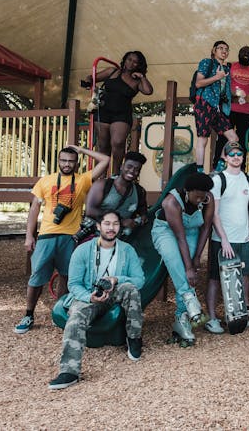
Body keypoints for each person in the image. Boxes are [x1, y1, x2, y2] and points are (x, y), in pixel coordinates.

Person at [14, 144, 111, 334]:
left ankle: (59, 312)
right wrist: (29, 236)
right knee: (36, 277)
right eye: (63, 160)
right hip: (47, 234)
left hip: (71, 237)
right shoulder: (46, 180)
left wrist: (82, 150)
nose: (67, 164)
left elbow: (105, 160)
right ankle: (28, 314)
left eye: (71, 161)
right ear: (58, 161)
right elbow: (34, 208)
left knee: (68, 277)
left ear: (76, 163)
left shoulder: (82, 180)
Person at [47, 211, 145, 390]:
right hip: (88, 295)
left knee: (131, 289)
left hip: (114, 292)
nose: (111, 228)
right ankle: (69, 371)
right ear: (99, 226)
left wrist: (117, 279)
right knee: (76, 317)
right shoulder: (83, 250)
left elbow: (139, 280)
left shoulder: (127, 250)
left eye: (115, 224)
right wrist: (88, 297)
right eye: (107, 223)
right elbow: (74, 284)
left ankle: (134, 337)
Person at [151, 173, 214, 346]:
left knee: (190, 270)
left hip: (192, 231)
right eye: (197, 196)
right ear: (187, 191)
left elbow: (206, 228)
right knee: (177, 264)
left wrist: (196, 259)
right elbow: (179, 238)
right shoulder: (171, 202)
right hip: (166, 231)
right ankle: (189, 298)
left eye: (204, 196)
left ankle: (182, 319)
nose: (201, 200)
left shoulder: (208, 198)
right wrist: (188, 267)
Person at [205, 142, 249, 334]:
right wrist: (224, 240)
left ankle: (239, 314)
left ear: (243, 158)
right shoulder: (219, 179)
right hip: (221, 240)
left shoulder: (248, 179)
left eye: (239, 154)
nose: (236, 157)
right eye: (232, 154)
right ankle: (211, 317)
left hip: (243, 238)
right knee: (215, 278)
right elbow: (214, 213)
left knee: (243, 277)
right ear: (225, 158)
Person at [81, 51, 153, 175]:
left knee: (118, 142)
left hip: (122, 114)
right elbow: (92, 77)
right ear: (125, 60)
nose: (131, 63)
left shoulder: (137, 81)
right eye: (129, 59)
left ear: (139, 65)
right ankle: (100, 175)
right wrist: (88, 82)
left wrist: (142, 77)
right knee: (103, 145)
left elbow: (148, 91)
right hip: (103, 111)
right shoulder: (112, 71)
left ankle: (115, 173)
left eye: (135, 62)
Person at [192, 40, 240, 172]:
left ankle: (219, 166)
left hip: (217, 108)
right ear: (214, 50)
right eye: (221, 48)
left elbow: (224, 91)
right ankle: (200, 171)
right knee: (203, 139)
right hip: (204, 103)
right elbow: (198, 83)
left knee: (233, 138)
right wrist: (216, 77)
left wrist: (237, 94)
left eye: (226, 49)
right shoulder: (207, 62)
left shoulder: (227, 70)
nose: (224, 51)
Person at [214, 45, 249, 169]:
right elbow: (221, 85)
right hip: (228, 110)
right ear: (239, 54)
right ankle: (218, 165)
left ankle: (240, 168)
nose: (246, 54)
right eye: (243, 52)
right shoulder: (230, 66)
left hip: (246, 112)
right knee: (223, 139)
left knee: (242, 141)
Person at [83, 151, 148, 241]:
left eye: (137, 169)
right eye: (129, 167)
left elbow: (143, 213)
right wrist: (120, 221)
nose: (132, 171)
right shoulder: (102, 185)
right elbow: (90, 211)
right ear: (121, 167)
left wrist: (138, 221)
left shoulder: (139, 191)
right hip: (96, 236)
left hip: (121, 240)